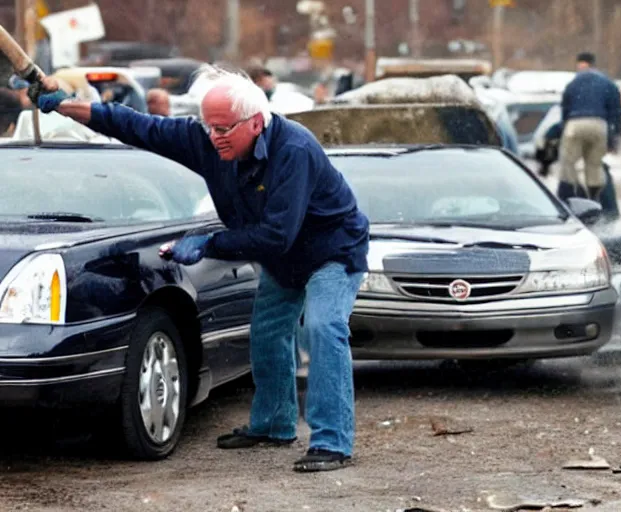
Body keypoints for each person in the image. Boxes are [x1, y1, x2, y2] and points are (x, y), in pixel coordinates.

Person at [32, 66, 370, 473]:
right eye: (210, 127)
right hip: (283, 258)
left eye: (225, 129)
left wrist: (209, 244)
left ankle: (332, 442)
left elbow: (277, 234)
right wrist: (67, 107)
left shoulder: (294, 150)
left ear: (257, 123)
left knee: (321, 326)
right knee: (266, 332)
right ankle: (274, 424)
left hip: (331, 249)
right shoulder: (208, 140)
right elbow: (138, 126)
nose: (215, 137)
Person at [560, 52, 621, 201]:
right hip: (599, 124)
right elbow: (615, 112)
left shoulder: (573, 83)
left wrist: (563, 129)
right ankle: (594, 198)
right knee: (594, 164)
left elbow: (565, 109)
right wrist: (613, 138)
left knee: (568, 163)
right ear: (593, 64)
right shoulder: (607, 83)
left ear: (579, 64)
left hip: (575, 124)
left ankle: (573, 196)